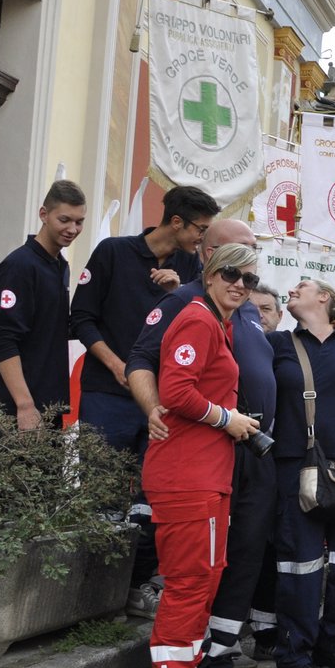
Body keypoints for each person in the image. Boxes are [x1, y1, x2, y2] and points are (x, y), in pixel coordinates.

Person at [128, 218, 277, 668]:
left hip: (211, 471)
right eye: (230, 273)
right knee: (191, 582)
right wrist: (225, 418)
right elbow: (170, 386)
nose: (240, 284)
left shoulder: (223, 318)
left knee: (205, 576)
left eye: (249, 278)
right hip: (188, 471)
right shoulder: (192, 312)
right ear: (208, 267)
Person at [72, 185, 217, 615]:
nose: (202, 240)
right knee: (102, 495)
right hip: (107, 396)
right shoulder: (112, 253)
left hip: (163, 403)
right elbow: (81, 317)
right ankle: (92, 595)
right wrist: (116, 364)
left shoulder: (192, 269)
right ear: (176, 222)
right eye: (200, 230)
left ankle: (137, 588)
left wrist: (184, 287)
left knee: (153, 498)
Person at [268, 279, 335, 668]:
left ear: (325, 298)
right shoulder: (278, 345)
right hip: (296, 465)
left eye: (303, 286)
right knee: (299, 565)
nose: (292, 290)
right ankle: (295, 657)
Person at [0, 179, 86, 429]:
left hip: (47, 409)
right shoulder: (19, 267)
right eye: (65, 220)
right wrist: (25, 405)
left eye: (79, 221)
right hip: (12, 413)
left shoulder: (60, 266)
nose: (72, 229)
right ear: (44, 214)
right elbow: (3, 338)